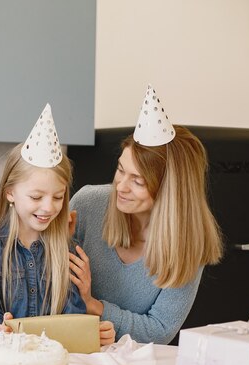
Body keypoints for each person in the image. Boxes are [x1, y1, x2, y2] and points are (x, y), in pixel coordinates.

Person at [69, 86, 223, 344]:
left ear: (170, 191)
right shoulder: (87, 204)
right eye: (120, 170)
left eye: (137, 181)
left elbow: (159, 331)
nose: (121, 186)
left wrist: (94, 306)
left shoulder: (187, 245)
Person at [0, 104, 115, 345]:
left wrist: (93, 331)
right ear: (10, 193)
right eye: (36, 197)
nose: (48, 208)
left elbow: (74, 317)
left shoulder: (68, 250)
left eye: (58, 197)